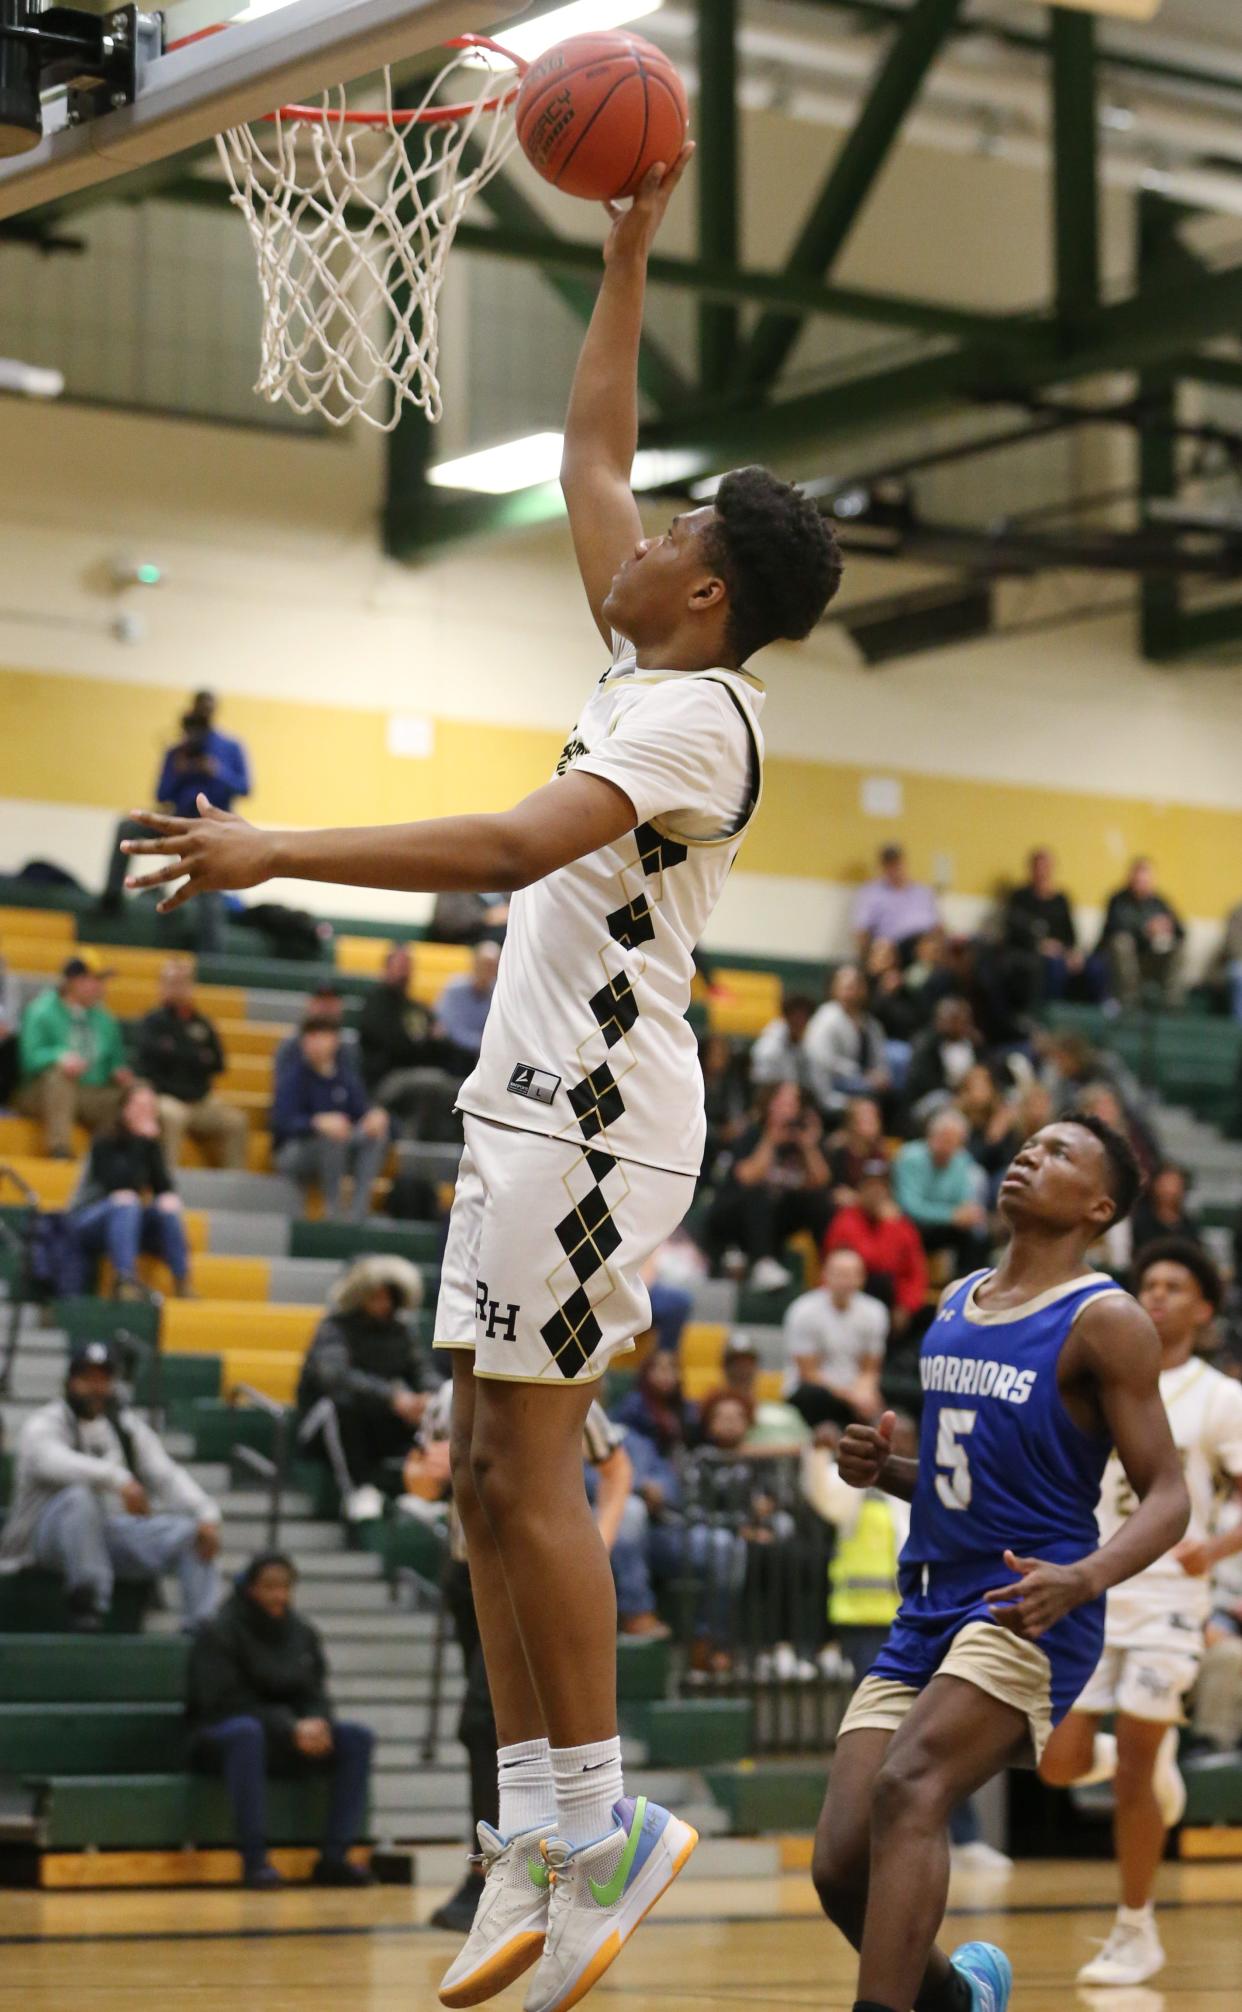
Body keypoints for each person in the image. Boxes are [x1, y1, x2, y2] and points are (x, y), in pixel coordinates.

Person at [121, 152, 843, 2012]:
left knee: (530, 1467)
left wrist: (279, 848)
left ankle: (602, 1816)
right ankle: (535, 1820)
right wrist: (626, 253)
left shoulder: (695, 710)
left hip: (593, 1114)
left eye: (674, 531)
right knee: (476, 1474)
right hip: (537, 1102)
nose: (635, 534)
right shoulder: (649, 653)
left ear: (712, 593)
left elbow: (522, 844)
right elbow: (590, 451)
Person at [811, 1114, 1190, 2012]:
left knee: (912, 1787)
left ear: (1099, 1206)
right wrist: (885, 1469)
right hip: (928, 1609)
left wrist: (1085, 1576)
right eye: (1028, 1143)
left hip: (1027, 1601)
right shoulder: (957, 1297)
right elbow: (962, 1479)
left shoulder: (1107, 1320)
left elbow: (1170, 1494)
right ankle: (960, 2001)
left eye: (1059, 1152)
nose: (1029, 1154)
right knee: (838, 1865)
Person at [1039, 1240, 1242, 1986]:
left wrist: (1214, 1549)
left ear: (1204, 1308)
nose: (1155, 1295)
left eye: (1174, 1286)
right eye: (1148, 1283)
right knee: (1057, 1763)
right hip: (1095, 1585)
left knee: (1130, 1770)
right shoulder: (1102, 1381)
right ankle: (1150, 1767)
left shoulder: (1220, 1396)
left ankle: (1135, 1929)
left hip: (1169, 1601)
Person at [0, 1339, 221, 1630]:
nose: (96, 1388)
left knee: (194, 1535)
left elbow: (166, 1474)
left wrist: (207, 1514)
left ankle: (200, 1628)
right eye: (87, 1379)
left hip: (104, 1537)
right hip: (39, 1541)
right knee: (78, 1499)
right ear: (69, 1382)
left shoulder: (124, 1427)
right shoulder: (44, 1422)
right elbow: (51, 1461)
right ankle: (90, 1603)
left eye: (104, 1379)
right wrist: (120, 1479)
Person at [187, 1551, 374, 1889]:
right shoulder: (220, 1631)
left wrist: (316, 1722)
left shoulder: (302, 1633)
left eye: (285, 1587)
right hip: (222, 1736)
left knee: (356, 1737)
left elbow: (315, 1693)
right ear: (250, 1589)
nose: (279, 1596)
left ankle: (334, 1858)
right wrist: (289, 1725)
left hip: (286, 1737)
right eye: (270, 1587)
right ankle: (255, 1860)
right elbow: (223, 1702)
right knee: (247, 1733)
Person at [296, 1255, 439, 1523]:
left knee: (433, 1411)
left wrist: (429, 1398)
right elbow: (334, 1376)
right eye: (376, 1297)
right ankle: (357, 1490)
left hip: (377, 1421)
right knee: (338, 1405)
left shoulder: (401, 1332)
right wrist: (391, 1397)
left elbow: (421, 1371)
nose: (383, 1304)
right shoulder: (334, 1328)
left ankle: (416, 1490)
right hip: (323, 1425)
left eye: (388, 1297)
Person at [705, 1082, 834, 1290]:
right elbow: (746, 1177)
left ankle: (830, 1268)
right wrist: (771, 1139)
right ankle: (762, 1263)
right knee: (759, 1192)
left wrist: (808, 1146)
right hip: (734, 1216)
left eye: (794, 1103)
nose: (789, 1109)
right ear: (768, 1104)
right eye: (783, 1102)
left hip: (774, 1221)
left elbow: (822, 1181)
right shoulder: (752, 1134)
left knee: (820, 1201)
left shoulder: (800, 1141)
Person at [70, 1081, 192, 1295]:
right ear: (124, 1108)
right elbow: (116, 1184)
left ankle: (182, 1280)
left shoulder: (149, 1142)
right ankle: (125, 1280)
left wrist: (151, 1147)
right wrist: (140, 1141)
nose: (144, 1112)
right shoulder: (104, 1140)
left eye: (149, 1107)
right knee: (126, 1201)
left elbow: (163, 1186)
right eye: (139, 1106)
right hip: (88, 1217)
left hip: (127, 1218)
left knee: (167, 1206)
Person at [271, 1015, 390, 1223]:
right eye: (310, 1037)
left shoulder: (345, 1077)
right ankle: (332, 1213)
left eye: (322, 1036)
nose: (315, 1043)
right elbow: (281, 1122)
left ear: (335, 1041)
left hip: (339, 1145)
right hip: (295, 1150)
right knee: (333, 1135)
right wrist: (316, 1123)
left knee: (375, 1134)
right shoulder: (293, 1078)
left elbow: (361, 1112)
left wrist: (374, 1116)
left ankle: (357, 1213)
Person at [134, 957, 248, 1170]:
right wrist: (195, 1056)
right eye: (172, 982)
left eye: (183, 982)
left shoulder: (202, 1023)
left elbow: (219, 1063)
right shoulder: (153, 1022)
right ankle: (166, 1184)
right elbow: (147, 1061)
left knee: (236, 1122)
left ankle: (235, 1183)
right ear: (162, 986)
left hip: (200, 1100)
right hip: (165, 1097)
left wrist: (176, 1052)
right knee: (174, 1117)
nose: (178, 989)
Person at [16, 952, 132, 1157]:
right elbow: (29, 1059)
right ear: (73, 981)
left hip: (89, 1093)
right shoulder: (41, 1011)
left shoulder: (106, 1019)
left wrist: (118, 1072)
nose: (100, 987)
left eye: (102, 981)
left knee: (137, 1092)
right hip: (41, 1093)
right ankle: (59, 1151)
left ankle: (113, 1160)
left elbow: (116, 1062)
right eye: (95, 980)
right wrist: (58, 1056)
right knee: (60, 1076)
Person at [356, 943, 457, 1138]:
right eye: (399, 965)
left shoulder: (416, 1008)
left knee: (436, 1089)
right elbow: (390, 1043)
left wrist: (423, 1042)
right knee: (432, 1081)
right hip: (383, 1081)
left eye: (408, 965)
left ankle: (421, 1153)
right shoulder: (375, 1002)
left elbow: (442, 1045)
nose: (404, 971)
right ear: (386, 968)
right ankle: (410, 1152)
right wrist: (422, 1042)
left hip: (416, 1076)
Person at [783, 1249, 888, 1431]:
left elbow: (870, 1368)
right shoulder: (803, 1310)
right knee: (812, 1395)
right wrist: (852, 1397)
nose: (845, 1281)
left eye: (851, 1275)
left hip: (855, 1391)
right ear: (825, 1275)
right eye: (839, 1274)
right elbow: (808, 1373)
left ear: (862, 1278)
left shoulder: (875, 1311)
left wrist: (865, 1391)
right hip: (817, 1391)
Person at [825, 1160, 928, 1336]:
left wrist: (905, 1305)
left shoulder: (902, 1225)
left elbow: (916, 1272)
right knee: (876, 1279)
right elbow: (874, 1262)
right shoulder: (845, 1220)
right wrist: (888, 1225)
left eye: (881, 1186)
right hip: (852, 1298)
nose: (876, 1192)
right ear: (860, 1190)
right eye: (870, 1185)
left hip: (892, 1301)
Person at [893, 1108, 990, 1278]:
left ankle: (966, 1287)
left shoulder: (961, 1160)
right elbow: (910, 1207)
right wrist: (952, 1215)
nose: (947, 1145)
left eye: (953, 1141)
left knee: (977, 1236)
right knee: (908, 1230)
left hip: (944, 1227)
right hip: (913, 1226)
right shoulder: (909, 1157)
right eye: (943, 1138)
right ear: (930, 1136)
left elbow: (963, 1201)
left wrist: (967, 1214)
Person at [804, 964, 891, 1120]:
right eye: (847, 985)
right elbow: (823, 1063)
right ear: (834, 988)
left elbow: (880, 1062)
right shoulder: (825, 1020)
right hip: (831, 1091)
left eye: (858, 985)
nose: (853, 990)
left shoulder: (871, 1024)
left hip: (866, 1091)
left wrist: (880, 1076)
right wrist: (862, 1076)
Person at [1000, 848, 1084, 1010]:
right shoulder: (1020, 897)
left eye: (1046, 867)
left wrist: (1070, 951)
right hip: (1030, 951)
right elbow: (1013, 931)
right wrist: (1039, 945)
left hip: (1060, 951)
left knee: (1091, 966)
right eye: (1038, 867)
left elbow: (1071, 935)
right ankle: (1049, 1012)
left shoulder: (1061, 899)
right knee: (1052, 964)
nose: (1042, 872)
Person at [1097, 859, 1185, 1010]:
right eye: (1138, 879)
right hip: (1121, 959)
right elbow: (1115, 927)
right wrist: (1146, 930)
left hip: (1151, 959)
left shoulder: (1159, 903)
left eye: (1145, 880)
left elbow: (1181, 932)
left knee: (1179, 948)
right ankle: (1129, 1002)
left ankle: (1172, 1004)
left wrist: (1168, 927)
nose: (1141, 884)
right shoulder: (1118, 900)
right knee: (1122, 942)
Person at [904, 998, 984, 1123]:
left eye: (963, 1019)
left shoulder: (975, 1043)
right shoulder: (926, 1045)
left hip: (970, 1095)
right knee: (943, 1099)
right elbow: (923, 1083)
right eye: (954, 1019)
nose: (960, 1024)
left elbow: (985, 1071)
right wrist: (958, 1093)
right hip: (934, 1098)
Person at [853, 846, 940, 961]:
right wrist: (867, 959)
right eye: (890, 864)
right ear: (883, 867)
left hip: (927, 946)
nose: (895, 868)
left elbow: (937, 926)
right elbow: (861, 930)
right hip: (895, 950)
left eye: (897, 863)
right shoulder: (871, 893)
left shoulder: (922, 892)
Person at [435, 942, 500, 1075]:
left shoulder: (499, 994)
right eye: (485, 965)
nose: (489, 970)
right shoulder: (455, 989)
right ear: (475, 964)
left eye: (493, 966)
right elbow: (451, 1030)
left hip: (484, 1055)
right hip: (455, 1053)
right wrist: (482, 1043)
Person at [1128, 1161, 1201, 1257]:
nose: (1169, 1190)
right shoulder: (1140, 1223)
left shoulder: (1190, 1227)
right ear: (1155, 1185)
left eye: (1175, 1184)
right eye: (1165, 1184)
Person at [750, 992, 816, 1091]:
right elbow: (763, 1086)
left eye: (804, 1017)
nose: (800, 1021)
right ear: (786, 1016)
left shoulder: (802, 1042)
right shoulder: (769, 1047)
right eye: (796, 1016)